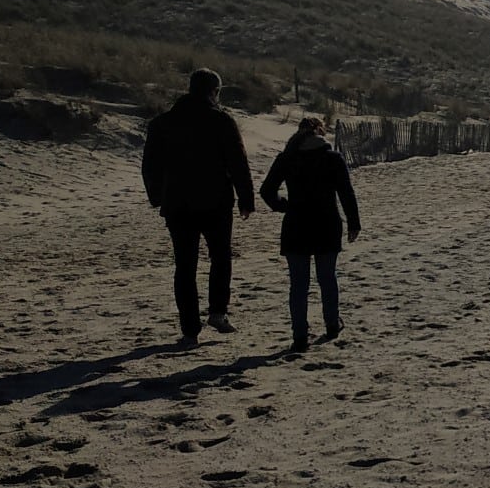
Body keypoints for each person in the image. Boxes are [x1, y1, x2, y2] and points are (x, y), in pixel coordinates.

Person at [141, 69, 255, 343]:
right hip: (216, 202)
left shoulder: (162, 123)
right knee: (221, 257)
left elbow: (150, 166)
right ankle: (217, 312)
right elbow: (238, 162)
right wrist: (246, 199)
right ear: (214, 92)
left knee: (185, 265)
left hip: (178, 204)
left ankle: (190, 327)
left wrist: (158, 197)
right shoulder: (221, 121)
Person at [260, 117, 361, 352]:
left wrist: (284, 206)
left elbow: (266, 191)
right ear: (319, 132)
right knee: (327, 278)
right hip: (327, 223)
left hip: (296, 224)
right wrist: (353, 223)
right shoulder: (332, 158)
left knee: (298, 284)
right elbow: (346, 192)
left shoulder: (287, 158)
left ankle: (300, 336)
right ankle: (332, 324)